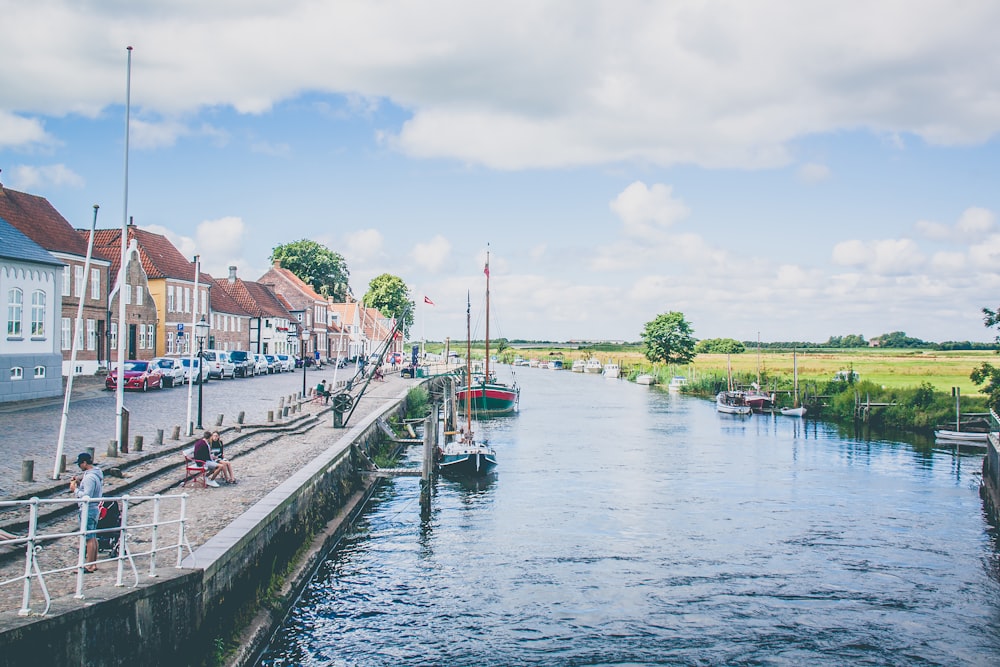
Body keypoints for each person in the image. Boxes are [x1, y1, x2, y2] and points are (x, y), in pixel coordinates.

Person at [69, 452, 104, 572]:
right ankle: (93, 564)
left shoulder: (89, 477)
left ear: (84, 463)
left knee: (88, 538)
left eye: (80, 464)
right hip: (95, 508)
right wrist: (80, 483)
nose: (79, 466)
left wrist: (75, 490)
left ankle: (89, 565)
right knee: (92, 537)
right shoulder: (96, 474)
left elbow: (86, 496)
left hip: (88, 509)